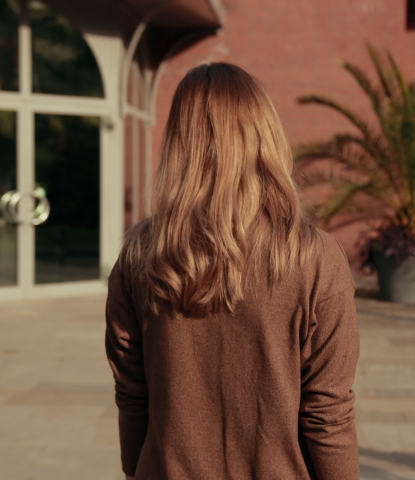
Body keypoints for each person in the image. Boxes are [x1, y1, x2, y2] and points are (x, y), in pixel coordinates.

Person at [105, 62, 360, 480]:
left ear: (179, 142)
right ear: (266, 136)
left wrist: (135, 470)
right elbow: (328, 414)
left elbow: (132, 395)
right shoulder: (315, 258)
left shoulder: (139, 254)